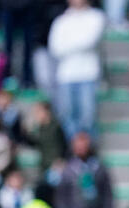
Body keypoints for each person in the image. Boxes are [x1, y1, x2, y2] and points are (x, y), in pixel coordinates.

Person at [48, 0, 105, 140]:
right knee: (67, 118)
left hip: (88, 74)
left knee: (88, 118)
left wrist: (68, 44)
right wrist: (78, 44)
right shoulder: (61, 21)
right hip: (66, 76)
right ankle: (73, 156)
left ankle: (90, 156)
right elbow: (55, 48)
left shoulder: (96, 17)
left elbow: (90, 40)